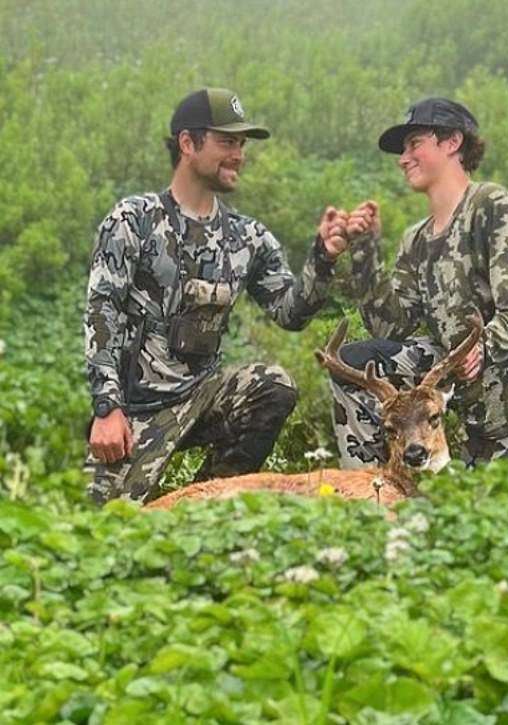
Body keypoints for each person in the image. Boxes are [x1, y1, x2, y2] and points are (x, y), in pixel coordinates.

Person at [84, 87, 348, 504]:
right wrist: (106, 407)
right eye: (227, 141)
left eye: (242, 143)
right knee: (102, 531)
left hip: (204, 396)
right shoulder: (133, 220)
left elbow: (289, 313)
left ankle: (211, 498)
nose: (239, 154)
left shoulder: (248, 237)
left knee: (273, 385)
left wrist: (323, 257)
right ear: (188, 143)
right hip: (135, 413)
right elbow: (102, 312)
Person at [332, 96, 508, 469]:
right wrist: (364, 251)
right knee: (354, 360)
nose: (403, 158)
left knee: (492, 518)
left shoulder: (494, 207)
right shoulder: (416, 240)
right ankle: (374, 489)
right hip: (468, 407)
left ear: (452, 142)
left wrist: (482, 345)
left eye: (414, 144)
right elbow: (391, 326)